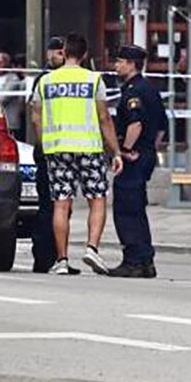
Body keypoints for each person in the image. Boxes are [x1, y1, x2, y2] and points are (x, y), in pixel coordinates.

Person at [31, 33, 123, 276]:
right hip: (88, 148)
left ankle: (61, 259)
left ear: (65, 52)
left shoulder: (46, 81)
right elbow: (104, 118)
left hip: (57, 149)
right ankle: (92, 248)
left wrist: (44, 143)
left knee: (61, 204)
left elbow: (36, 117)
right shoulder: (93, 80)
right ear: (84, 55)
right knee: (98, 199)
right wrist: (115, 151)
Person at [108, 45, 168, 278]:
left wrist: (126, 150)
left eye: (120, 61)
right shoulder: (150, 89)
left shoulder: (133, 91)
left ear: (132, 64)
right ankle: (145, 261)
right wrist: (149, 149)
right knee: (138, 208)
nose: (116, 65)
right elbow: (162, 126)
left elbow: (135, 124)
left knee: (126, 209)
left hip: (133, 157)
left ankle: (133, 260)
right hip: (146, 155)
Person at [28, 37, 67, 273]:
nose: (58, 56)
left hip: (63, 151)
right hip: (49, 151)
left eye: (62, 52)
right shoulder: (44, 80)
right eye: (55, 52)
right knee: (48, 208)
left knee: (61, 208)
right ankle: (43, 257)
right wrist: (44, 145)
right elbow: (36, 116)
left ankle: (58, 257)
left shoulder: (64, 80)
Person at [0, 51, 25, 139]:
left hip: (9, 123)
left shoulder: (13, 79)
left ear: (6, 63)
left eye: (0, 63)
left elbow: (2, 99)